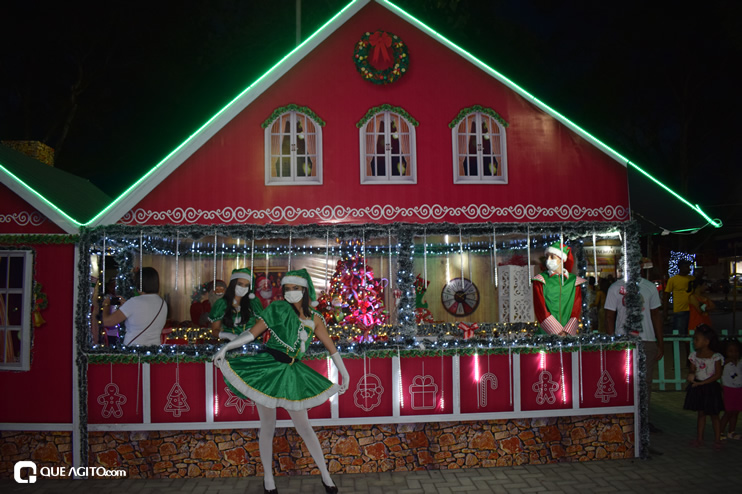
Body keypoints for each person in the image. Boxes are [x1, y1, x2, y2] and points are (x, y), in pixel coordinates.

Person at [213, 268, 349, 494]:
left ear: (304, 290)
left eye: (295, 288)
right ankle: (269, 480)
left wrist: (344, 372)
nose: (290, 292)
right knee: (267, 425)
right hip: (268, 369)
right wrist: (227, 346)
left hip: (292, 372)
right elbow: (252, 333)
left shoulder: (315, 319)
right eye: (287, 289)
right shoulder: (276, 309)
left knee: (304, 426)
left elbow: (331, 347)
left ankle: (326, 476)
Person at [605, 262, 664, 433]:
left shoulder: (649, 287)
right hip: (624, 341)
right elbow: (609, 316)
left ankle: (643, 420)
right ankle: (624, 418)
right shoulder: (615, 288)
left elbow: (656, 315)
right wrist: (613, 342)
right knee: (623, 382)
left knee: (645, 383)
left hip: (647, 340)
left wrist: (660, 342)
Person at [102, 267, 168, 346]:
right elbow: (143, 314)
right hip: (154, 350)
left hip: (134, 350)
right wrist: (127, 305)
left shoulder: (134, 302)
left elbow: (106, 321)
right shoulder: (163, 303)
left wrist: (106, 304)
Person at [683, 324, 724, 449]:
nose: (694, 342)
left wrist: (703, 383)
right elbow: (692, 370)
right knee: (701, 413)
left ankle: (717, 439)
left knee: (714, 414)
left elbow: (717, 374)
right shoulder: (694, 356)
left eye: (696, 339)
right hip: (699, 387)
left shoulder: (715, 357)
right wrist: (691, 375)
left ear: (706, 342)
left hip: (710, 388)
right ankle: (700, 438)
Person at [532, 242, 585, 336]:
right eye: (547, 257)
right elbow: (540, 308)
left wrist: (567, 331)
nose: (548, 260)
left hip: (568, 336)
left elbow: (576, 308)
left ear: (562, 259)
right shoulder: (540, 280)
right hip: (546, 335)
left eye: (552, 257)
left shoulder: (574, 281)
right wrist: (556, 332)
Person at [209, 268, 263, 340]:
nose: (243, 288)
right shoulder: (221, 304)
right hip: (229, 346)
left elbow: (260, 326)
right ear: (233, 284)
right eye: (240, 284)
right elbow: (215, 330)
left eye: (246, 285)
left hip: (251, 345)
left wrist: (251, 333)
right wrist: (225, 335)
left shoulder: (253, 303)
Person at [664, 260, 695, 335]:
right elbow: (666, 295)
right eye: (686, 267)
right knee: (679, 332)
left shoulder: (692, 279)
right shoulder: (673, 280)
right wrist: (665, 311)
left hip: (692, 308)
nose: (689, 269)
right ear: (680, 268)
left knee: (691, 331)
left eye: (689, 267)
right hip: (679, 309)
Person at [719, 339, 742, 440]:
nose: (734, 354)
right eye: (730, 351)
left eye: (736, 351)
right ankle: (720, 431)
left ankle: (731, 431)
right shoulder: (724, 363)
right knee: (728, 412)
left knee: (736, 411)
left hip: (739, 389)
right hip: (728, 389)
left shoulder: (740, 363)